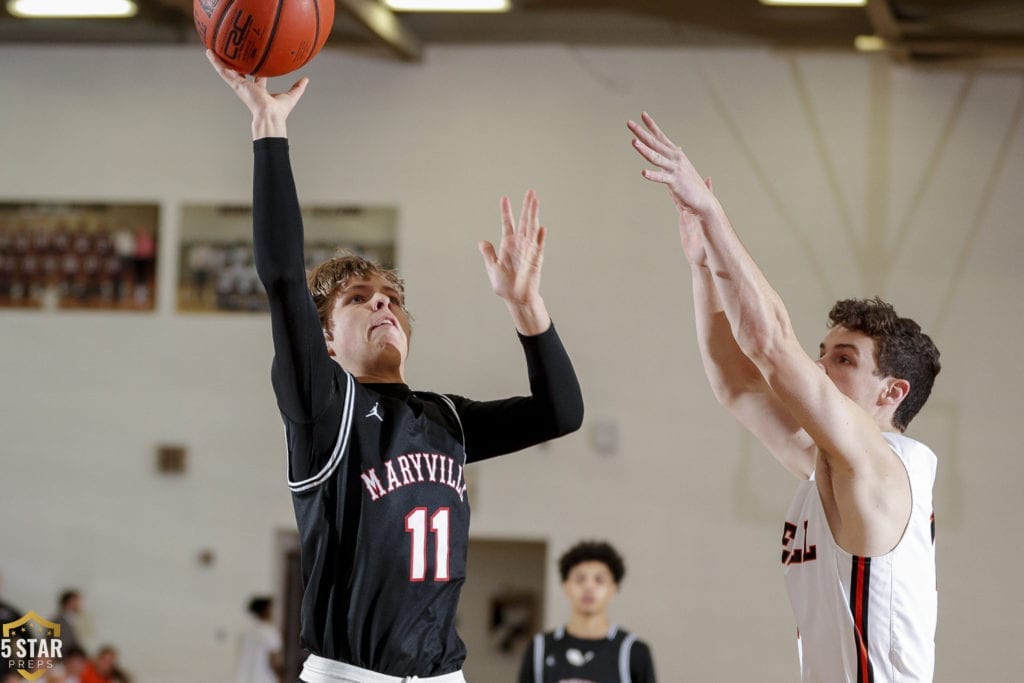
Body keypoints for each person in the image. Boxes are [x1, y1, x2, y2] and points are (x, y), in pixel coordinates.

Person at [206, 51, 584, 683]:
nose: (382, 301)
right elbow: (280, 277)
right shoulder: (324, 406)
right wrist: (269, 132)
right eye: (358, 299)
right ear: (325, 340)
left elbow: (561, 413)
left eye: (392, 298)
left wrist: (528, 307)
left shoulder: (447, 420)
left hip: (444, 676)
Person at [628, 112, 940, 681]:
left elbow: (770, 346)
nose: (818, 367)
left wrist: (714, 216)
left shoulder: (882, 468)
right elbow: (737, 382)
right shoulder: (829, 465)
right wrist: (702, 266)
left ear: (892, 392)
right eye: (821, 353)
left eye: (843, 360)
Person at [519, 541, 655, 683]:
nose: (589, 587)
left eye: (599, 580)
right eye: (580, 579)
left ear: (613, 589)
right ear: (566, 587)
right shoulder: (540, 648)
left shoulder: (633, 651)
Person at [235, 596, 284, 683]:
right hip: (264, 679)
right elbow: (274, 659)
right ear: (266, 611)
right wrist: (281, 677)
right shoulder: (270, 631)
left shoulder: (246, 631)